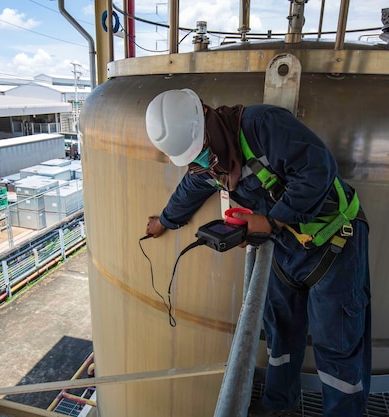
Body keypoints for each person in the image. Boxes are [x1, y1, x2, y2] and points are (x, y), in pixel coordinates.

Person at [144, 89, 371, 417]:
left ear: (207, 118)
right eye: (194, 159)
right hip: (285, 244)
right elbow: (190, 190)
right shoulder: (209, 165)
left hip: (335, 240)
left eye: (202, 152)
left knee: (336, 344)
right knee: (280, 329)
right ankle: (280, 404)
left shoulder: (263, 126)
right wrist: (164, 221)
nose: (202, 162)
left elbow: (317, 170)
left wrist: (270, 220)